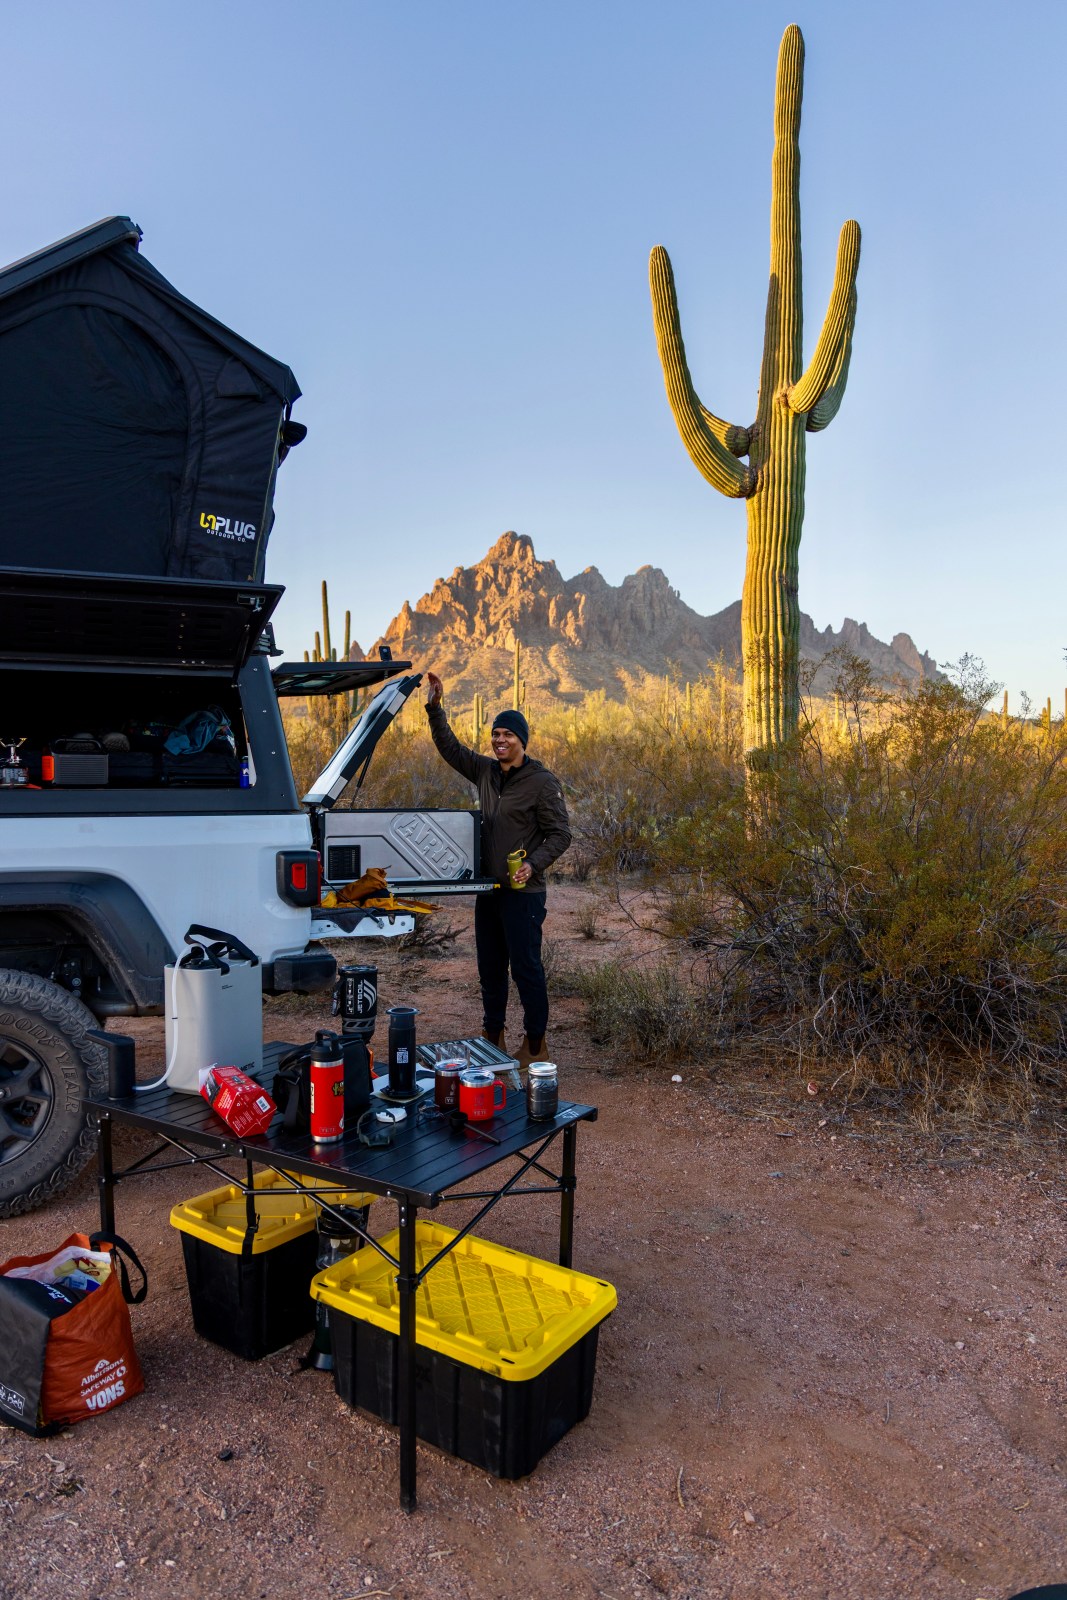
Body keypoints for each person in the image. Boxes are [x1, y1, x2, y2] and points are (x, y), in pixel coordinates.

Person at [425, 671, 571, 1070]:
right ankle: (493, 1036)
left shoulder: (542, 782)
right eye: (496, 734)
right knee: (490, 967)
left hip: (524, 894)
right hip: (489, 889)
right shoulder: (486, 772)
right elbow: (451, 749)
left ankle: (536, 1044)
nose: (500, 740)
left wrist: (532, 864)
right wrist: (435, 709)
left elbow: (561, 834)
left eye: (508, 735)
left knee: (525, 968)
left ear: (522, 741)